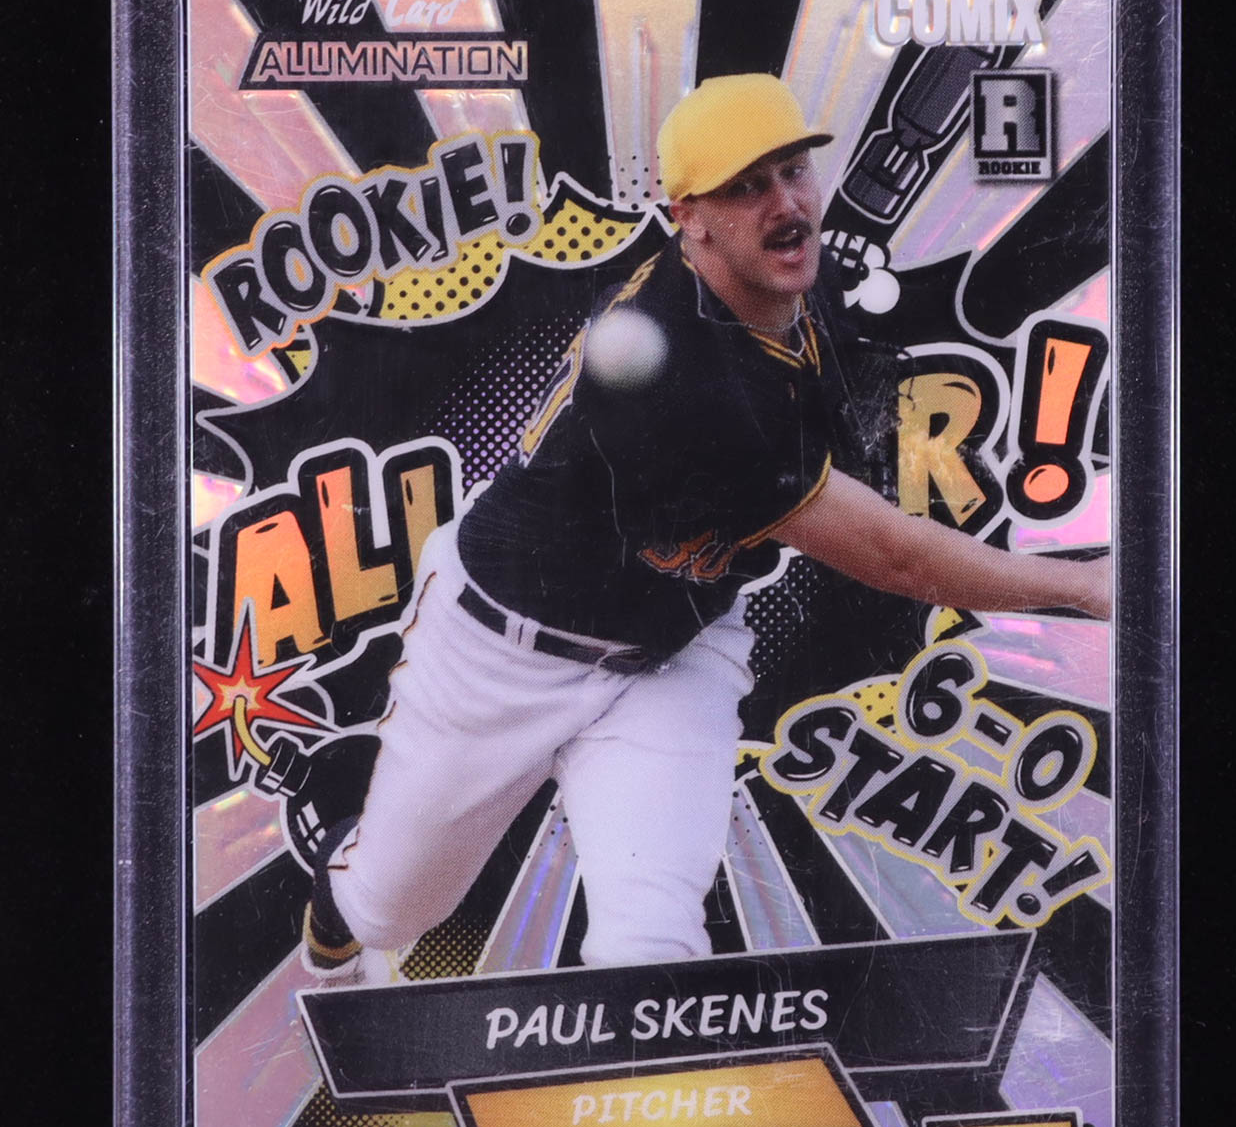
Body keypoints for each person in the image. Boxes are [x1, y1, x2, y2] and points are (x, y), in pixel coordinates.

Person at [302, 74, 1110, 984]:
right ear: (688, 218)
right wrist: (1083, 584)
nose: (784, 204)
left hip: (671, 651)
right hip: (501, 653)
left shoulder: (796, 284)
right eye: (745, 187)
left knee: (650, 947)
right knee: (391, 911)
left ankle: (640, 1070)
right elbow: (893, 557)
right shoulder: (673, 372)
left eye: (792, 171)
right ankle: (344, 883)